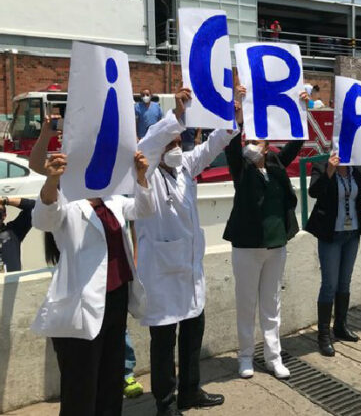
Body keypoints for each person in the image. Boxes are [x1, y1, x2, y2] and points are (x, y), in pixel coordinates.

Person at [135, 88, 236, 416]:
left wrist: (234, 116)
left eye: (179, 142)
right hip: (162, 275)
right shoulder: (146, 172)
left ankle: (190, 391)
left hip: (190, 272)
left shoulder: (184, 170)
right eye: (171, 143)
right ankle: (165, 403)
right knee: (163, 344)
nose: (177, 147)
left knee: (193, 335)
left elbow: (213, 145)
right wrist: (178, 117)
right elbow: (147, 145)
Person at [31, 151, 154, 416]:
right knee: (81, 389)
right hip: (82, 306)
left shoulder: (112, 197)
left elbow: (145, 209)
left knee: (111, 381)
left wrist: (141, 177)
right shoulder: (67, 200)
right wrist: (52, 181)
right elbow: (43, 219)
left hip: (117, 298)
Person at [224, 87, 308, 380]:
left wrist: (301, 110)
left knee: (271, 303)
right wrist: (237, 119)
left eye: (257, 141)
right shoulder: (241, 169)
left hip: (275, 245)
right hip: (247, 246)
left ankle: (273, 356)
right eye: (250, 140)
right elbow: (232, 148)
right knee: (246, 303)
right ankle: (245, 357)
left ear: (267, 145)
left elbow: (296, 144)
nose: (253, 145)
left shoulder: (275, 165)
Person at [305, 152, 361, 356]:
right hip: (331, 234)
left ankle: (340, 326)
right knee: (329, 284)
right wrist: (329, 172)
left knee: (344, 282)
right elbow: (313, 192)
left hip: (352, 234)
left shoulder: (356, 170)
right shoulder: (321, 166)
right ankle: (323, 335)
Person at [0, 196, 35, 272]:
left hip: (11, 282)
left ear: (4, 216)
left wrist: (6, 201)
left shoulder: (14, 231)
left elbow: (35, 207)